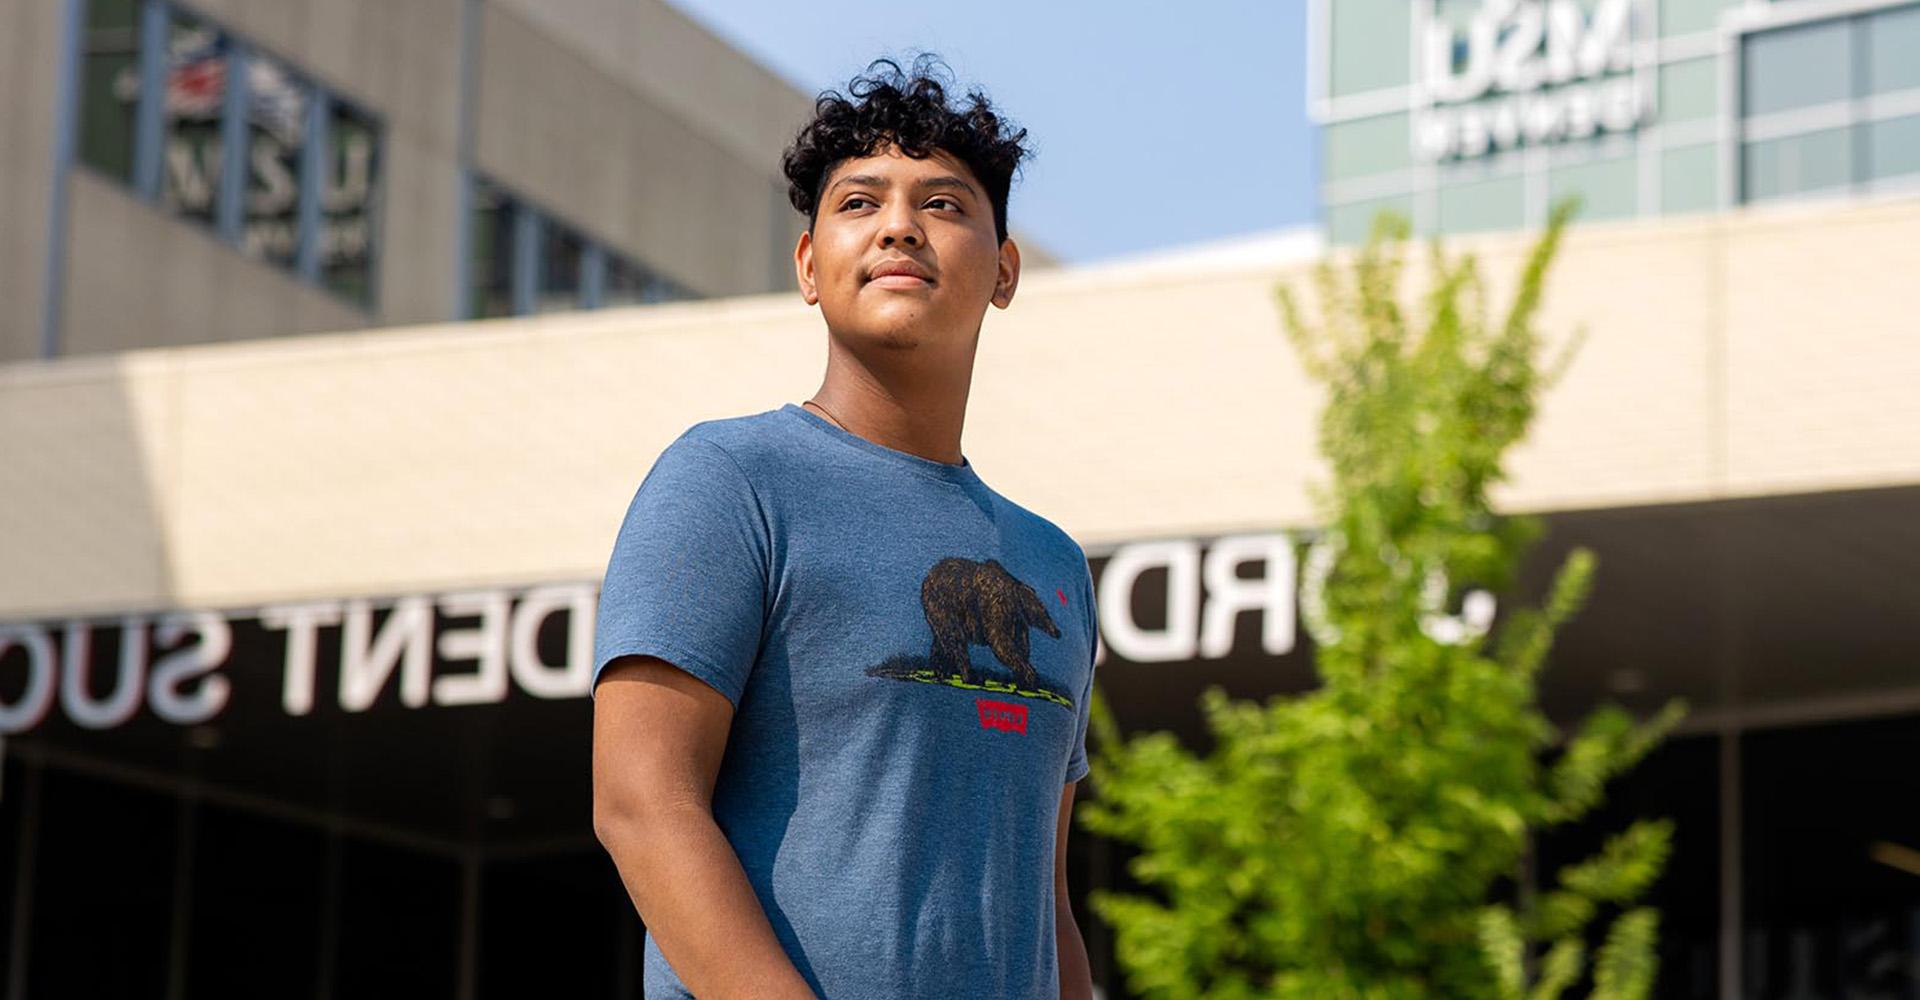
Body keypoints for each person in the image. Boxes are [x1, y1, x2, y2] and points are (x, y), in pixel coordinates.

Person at [589, 54, 1099, 999]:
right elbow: (640, 804)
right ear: (809, 267)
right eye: (860, 202)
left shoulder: (1053, 563)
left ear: (1005, 271)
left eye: (943, 204)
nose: (900, 225)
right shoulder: (729, 482)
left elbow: (1047, 899)